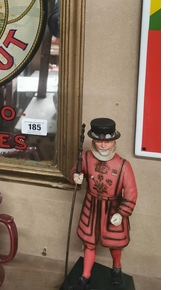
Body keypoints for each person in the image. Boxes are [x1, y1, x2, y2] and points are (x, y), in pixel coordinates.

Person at [69, 118, 138, 289]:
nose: (103, 145)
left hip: (112, 209)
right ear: (93, 140)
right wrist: (75, 177)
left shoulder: (123, 166)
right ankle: (85, 276)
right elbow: (74, 171)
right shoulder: (85, 158)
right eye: (99, 140)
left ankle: (116, 267)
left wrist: (121, 213)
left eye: (107, 141)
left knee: (115, 244)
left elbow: (131, 193)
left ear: (114, 140)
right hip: (91, 206)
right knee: (89, 243)